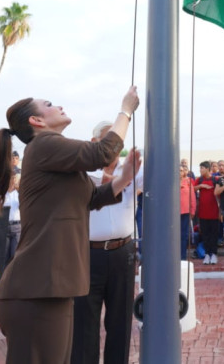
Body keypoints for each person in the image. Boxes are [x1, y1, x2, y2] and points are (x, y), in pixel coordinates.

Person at [0, 88, 141, 363]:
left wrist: (124, 178)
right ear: (36, 121)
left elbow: (92, 197)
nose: (58, 106)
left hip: (49, 287)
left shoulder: (53, 156)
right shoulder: (44, 144)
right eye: (48, 104)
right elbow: (102, 152)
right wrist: (125, 111)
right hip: (35, 290)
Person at [72, 121, 143, 364]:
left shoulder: (132, 169)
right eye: (108, 141)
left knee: (120, 320)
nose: (114, 147)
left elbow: (162, 169)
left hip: (123, 252)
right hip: (88, 254)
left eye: (118, 142)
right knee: (84, 323)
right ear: (94, 144)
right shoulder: (81, 174)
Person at [195, 160, 221, 265]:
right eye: (200, 168)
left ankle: (214, 254)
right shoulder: (199, 179)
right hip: (202, 213)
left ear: (207, 169)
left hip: (215, 213)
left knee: (214, 235)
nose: (200, 170)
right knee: (205, 235)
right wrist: (201, 186)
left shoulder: (216, 179)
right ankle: (207, 254)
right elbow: (192, 188)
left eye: (202, 168)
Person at [179, 164, 197, 261]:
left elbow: (192, 197)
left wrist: (193, 210)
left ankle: (182, 256)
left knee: (184, 235)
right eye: (177, 170)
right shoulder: (170, 182)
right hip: (173, 214)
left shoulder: (188, 182)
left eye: (181, 170)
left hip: (185, 212)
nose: (179, 172)